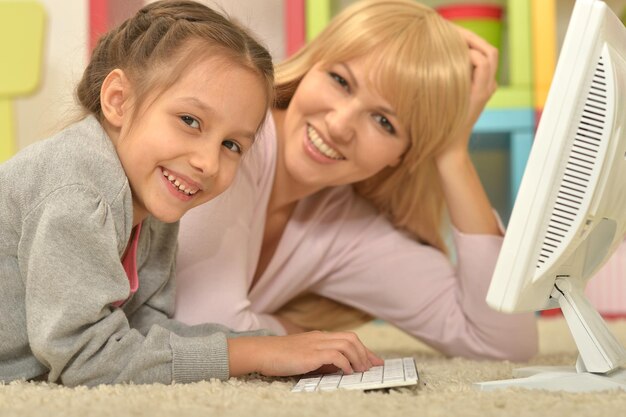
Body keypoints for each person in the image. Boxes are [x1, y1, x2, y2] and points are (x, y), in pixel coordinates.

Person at [0, 0, 381, 387]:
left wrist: (275, 347)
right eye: (190, 121)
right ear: (118, 99)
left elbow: (145, 329)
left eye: (232, 145)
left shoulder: (152, 204)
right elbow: (86, 358)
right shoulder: (78, 193)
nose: (209, 163)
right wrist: (255, 355)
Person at [175, 0, 538, 361]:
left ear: (404, 154)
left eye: (384, 122)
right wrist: (293, 332)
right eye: (340, 80)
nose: (339, 125)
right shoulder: (234, 144)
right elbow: (202, 329)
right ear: (314, 63)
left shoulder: (347, 227)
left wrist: (452, 153)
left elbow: (504, 344)